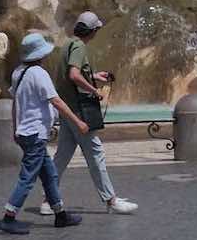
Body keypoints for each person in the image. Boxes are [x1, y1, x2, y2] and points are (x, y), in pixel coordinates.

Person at [40, 12, 136, 216]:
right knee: (96, 154)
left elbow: (71, 74)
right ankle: (111, 200)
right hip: (77, 111)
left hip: (67, 109)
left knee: (62, 156)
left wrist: (93, 76)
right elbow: (74, 75)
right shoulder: (80, 47)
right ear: (92, 31)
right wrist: (94, 90)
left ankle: (48, 200)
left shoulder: (68, 44)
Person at [0, 32, 89, 235]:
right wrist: (78, 122)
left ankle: (60, 214)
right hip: (35, 134)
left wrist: (15, 128)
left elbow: (16, 104)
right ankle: (9, 216)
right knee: (28, 177)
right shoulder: (39, 74)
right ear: (41, 54)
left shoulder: (18, 72)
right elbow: (55, 101)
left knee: (49, 174)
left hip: (25, 132)